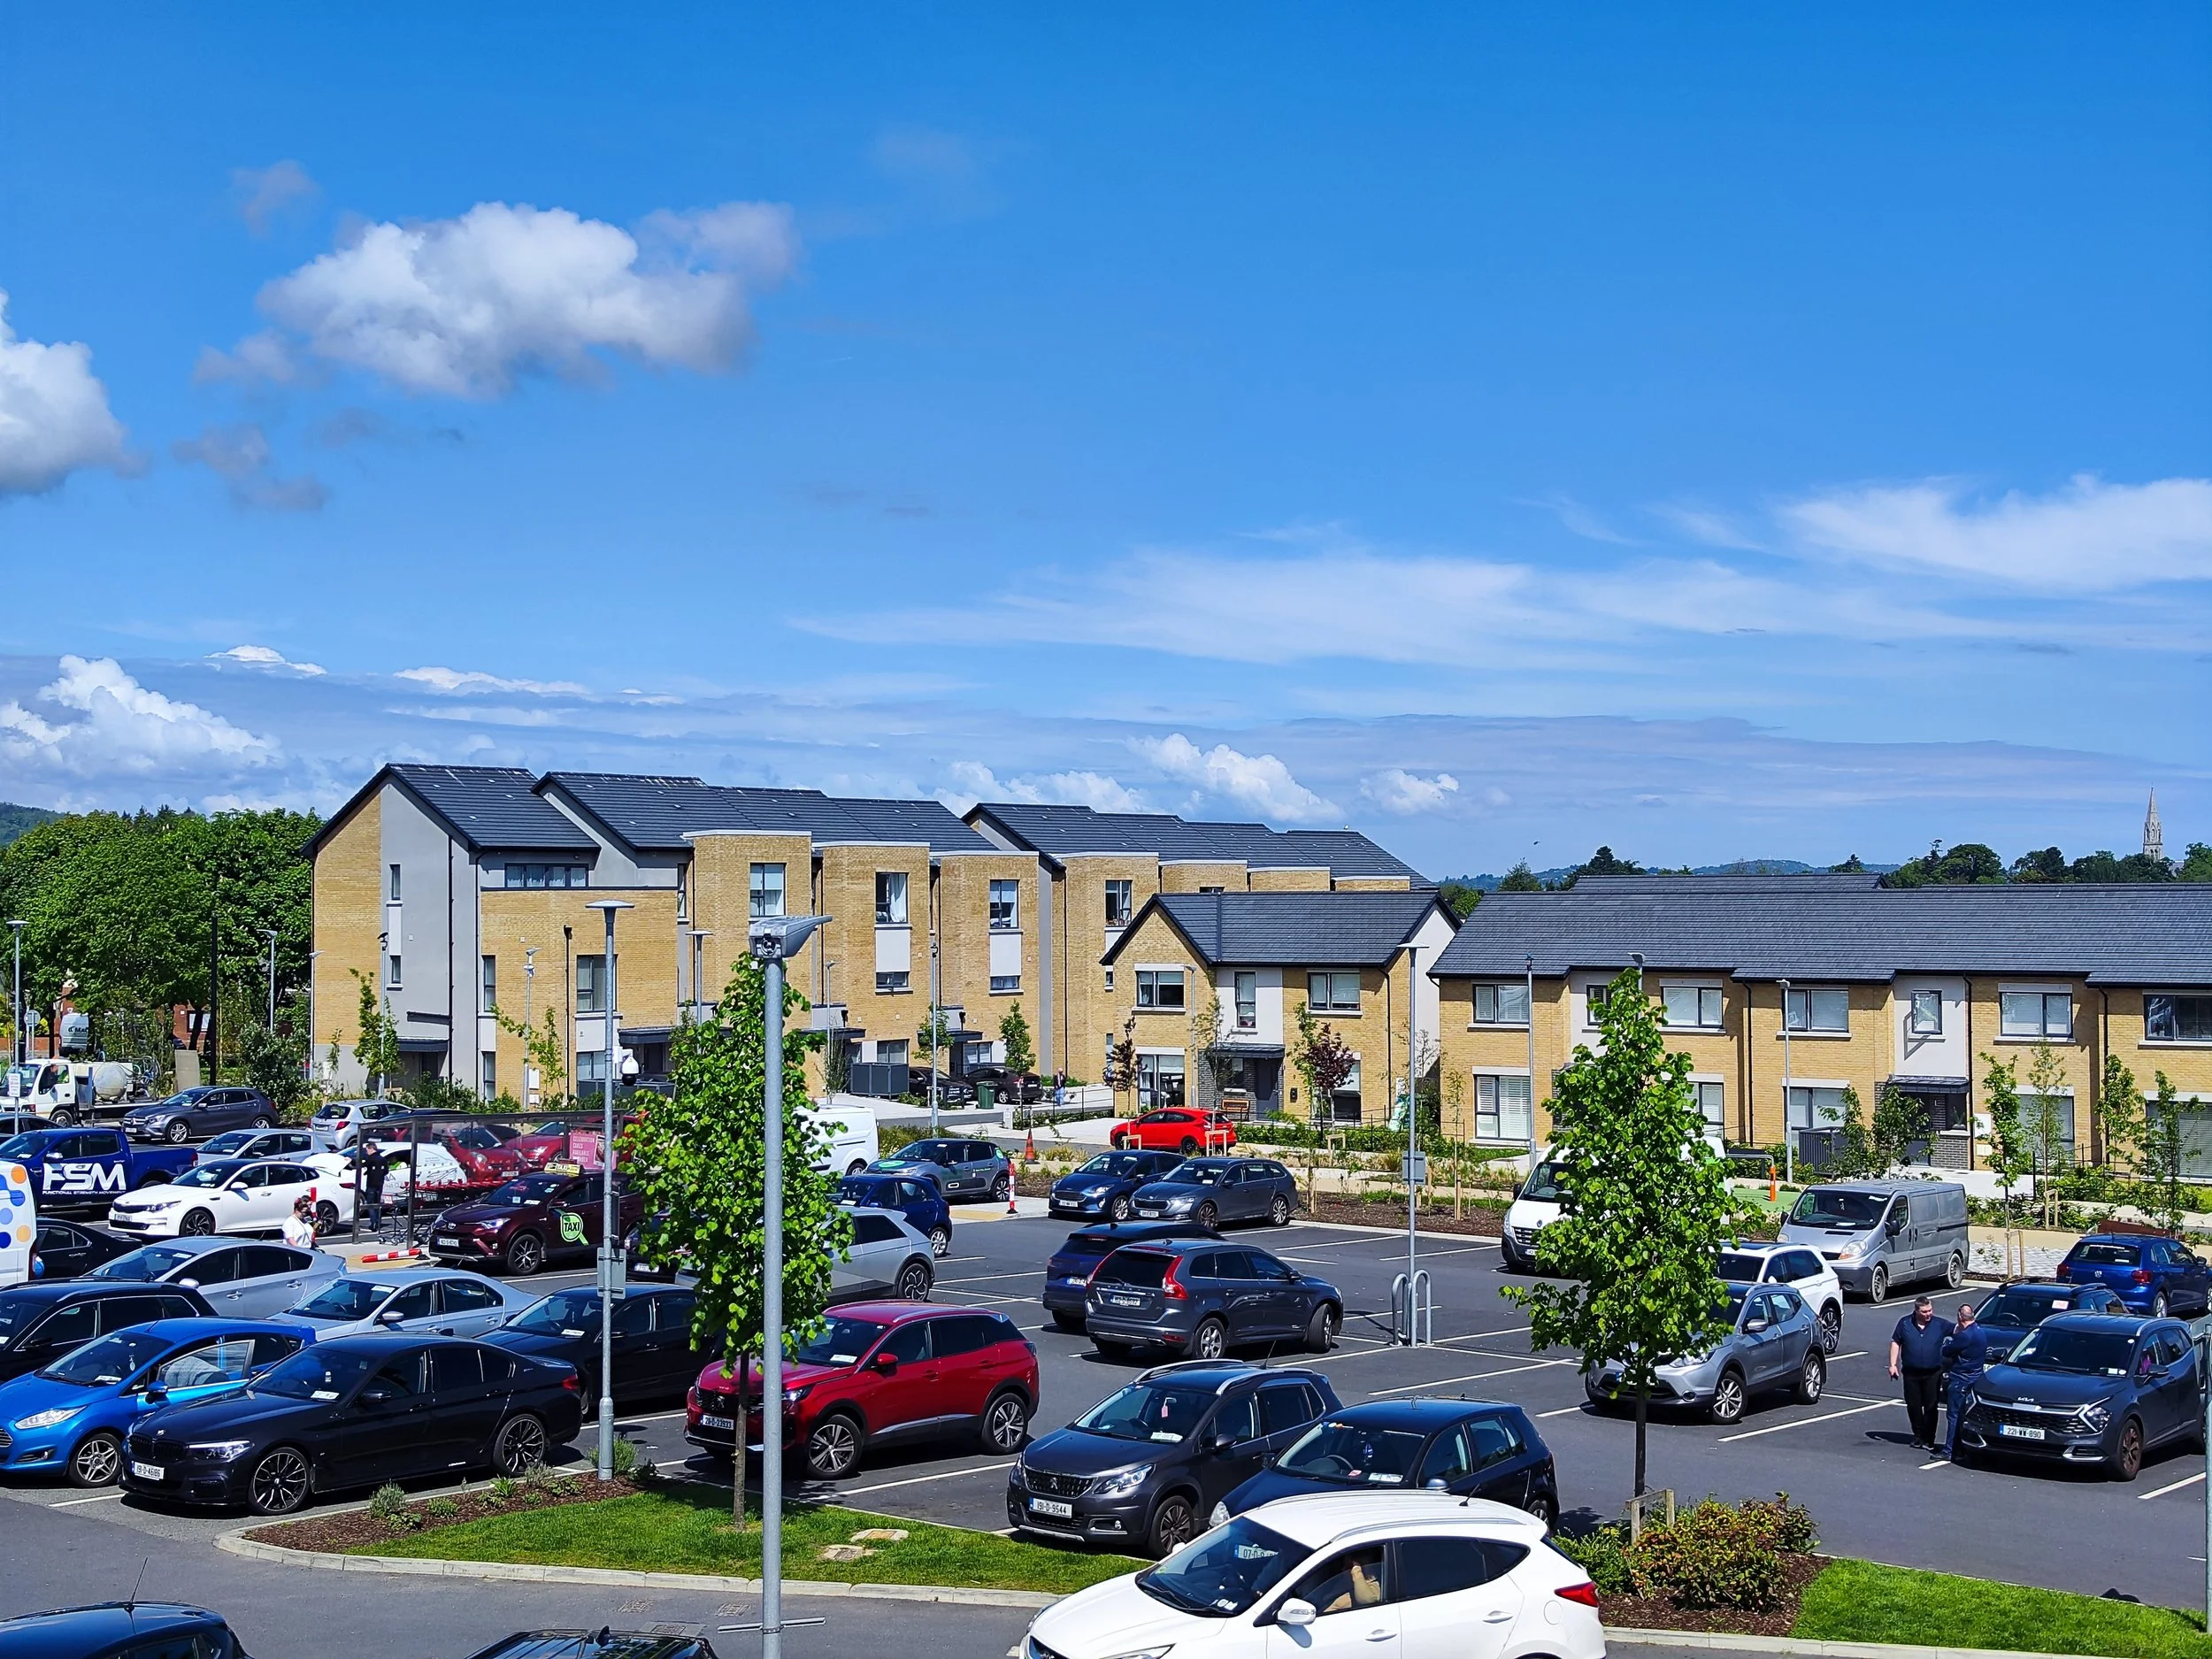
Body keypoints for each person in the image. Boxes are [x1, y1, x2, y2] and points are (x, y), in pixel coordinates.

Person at [1889, 1294, 1954, 1450]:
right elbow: (1896, 1342)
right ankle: (1918, 1436)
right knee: (1913, 1406)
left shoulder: (1939, 1324)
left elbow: (1958, 1331)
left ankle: (1929, 1439)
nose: (1928, 1314)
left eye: (1930, 1310)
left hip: (1933, 1373)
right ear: (1917, 1311)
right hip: (1911, 1373)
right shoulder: (1905, 1323)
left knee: (1931, 1406)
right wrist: (1893, 1364)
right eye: (1925, 1312)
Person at [1939, 1298, 1990, 1461]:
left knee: (1953, 1415)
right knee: (1964, 1415)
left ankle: (1950, 1450)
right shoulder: (1981, 1332)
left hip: (1961, 1379)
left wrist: (1949, 1342)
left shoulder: (1965, 1336)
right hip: (1975, 1378)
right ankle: (1961, 1448)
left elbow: (1947, 1351)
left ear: (1960, 1317)